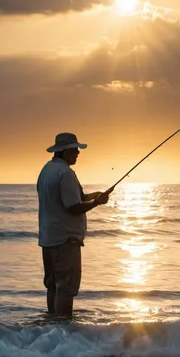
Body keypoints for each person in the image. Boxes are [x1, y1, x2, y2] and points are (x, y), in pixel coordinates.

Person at [37, 132, 113, 318]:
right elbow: (73, 207)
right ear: (64, 151)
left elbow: (69, 200)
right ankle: (63, 330)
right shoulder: (66, 173)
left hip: (48, 238)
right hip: (66, 239)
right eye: (75, 150)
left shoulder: (46, 171)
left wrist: (93, 195)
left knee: (53, 285)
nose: (78, 153)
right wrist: (97, 203)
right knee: (66, 287)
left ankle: (53, 326)